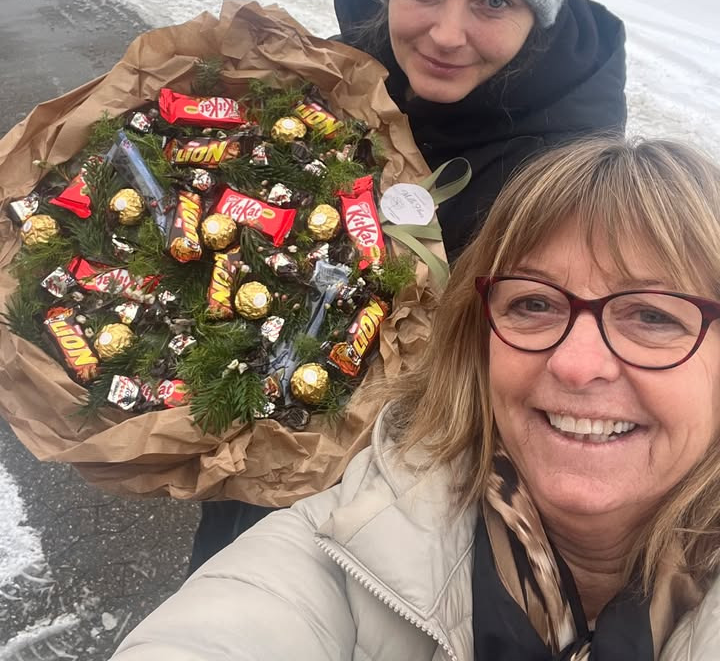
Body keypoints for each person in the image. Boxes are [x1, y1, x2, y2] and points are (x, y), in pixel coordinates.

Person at [188, 0, 627, 569]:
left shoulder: (566, 181)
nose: (448, 32)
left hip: (413, 517)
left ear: (539, 15)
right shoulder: (327, 88)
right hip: (255, 463)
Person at [111, 137, 720, 660]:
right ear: (476, 340)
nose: (577, 364)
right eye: (533, 303)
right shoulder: (348, 545)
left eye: (652, 316)